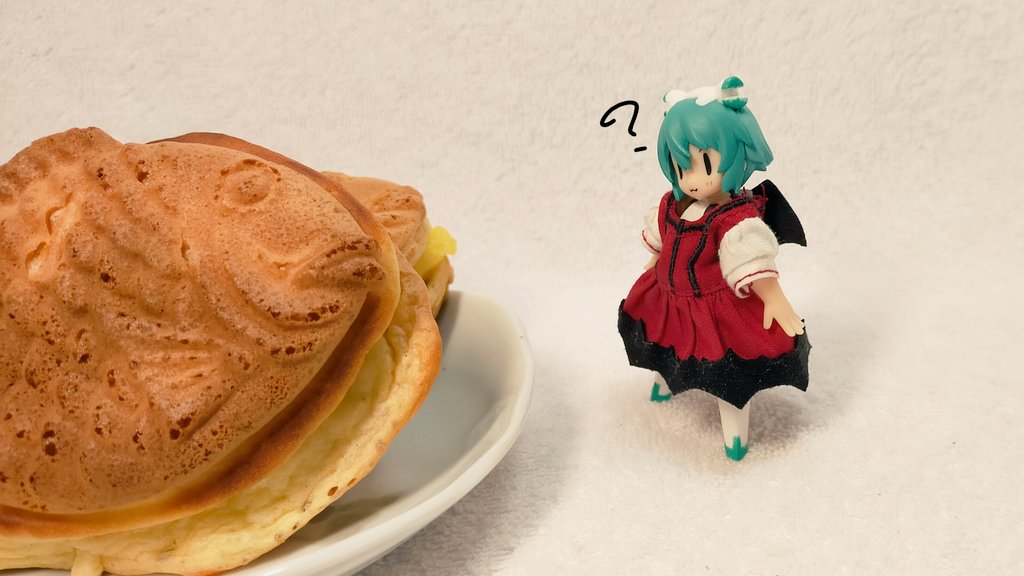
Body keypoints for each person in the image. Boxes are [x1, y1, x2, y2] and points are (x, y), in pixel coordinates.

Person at [618, 76, 810, 461]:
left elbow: (750, 259)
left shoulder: (734, 219)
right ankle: (662, 383)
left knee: (729, 370)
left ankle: (734, 432)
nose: (690, 179)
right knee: (659, 343)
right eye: (680, 166)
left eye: (704, 163)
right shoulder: (669, 207)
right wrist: (653, 265)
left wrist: (774, 298)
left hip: (715, 309)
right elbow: (661, 240)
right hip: (668, 299)